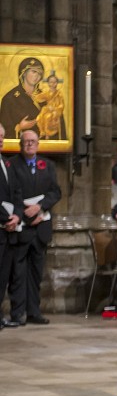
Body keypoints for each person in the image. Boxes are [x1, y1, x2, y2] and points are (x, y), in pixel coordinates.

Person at [7, 130, 61, 325]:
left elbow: (55, 192)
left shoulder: (48, 165)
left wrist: (41, 209)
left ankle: (34, 312)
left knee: (36, 273)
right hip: (22, 226)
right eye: (26, 142)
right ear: (21, 145)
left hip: (41, 227)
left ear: (38, 144)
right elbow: (11, 193)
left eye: (33, 141)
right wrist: (25, 214)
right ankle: (17, 313)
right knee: (18, 274)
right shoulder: (11, 164)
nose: (29, 144)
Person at [0, 125, 21, 329]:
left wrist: (17, 216)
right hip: (1, 225)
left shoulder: (7, 163)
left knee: (4, 276)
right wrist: (6, 217)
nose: (0, 139)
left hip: (9, 230)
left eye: (3, 136)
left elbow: (16, 193)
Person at [0, 57, 44, 138]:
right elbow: (3, 129)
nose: (37, 75)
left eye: (39, 73)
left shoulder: (45, 97)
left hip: (44, 146)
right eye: (34, 71)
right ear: (23, 73)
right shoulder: (10, 99)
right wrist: (19, 127)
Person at [33, 71, 66, 140]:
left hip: (55, 112)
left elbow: (61, 105)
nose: (52, 84)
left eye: (54, 82)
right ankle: (42, 132)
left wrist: (55, 110)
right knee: (39, 118)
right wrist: (34, 96)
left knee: (47, 118)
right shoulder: (47, 93)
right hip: (47, 109)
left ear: (57, 83)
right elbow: (40, 97)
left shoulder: (59, 94)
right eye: (50, 82)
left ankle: (48, 134)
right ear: (48, 83)